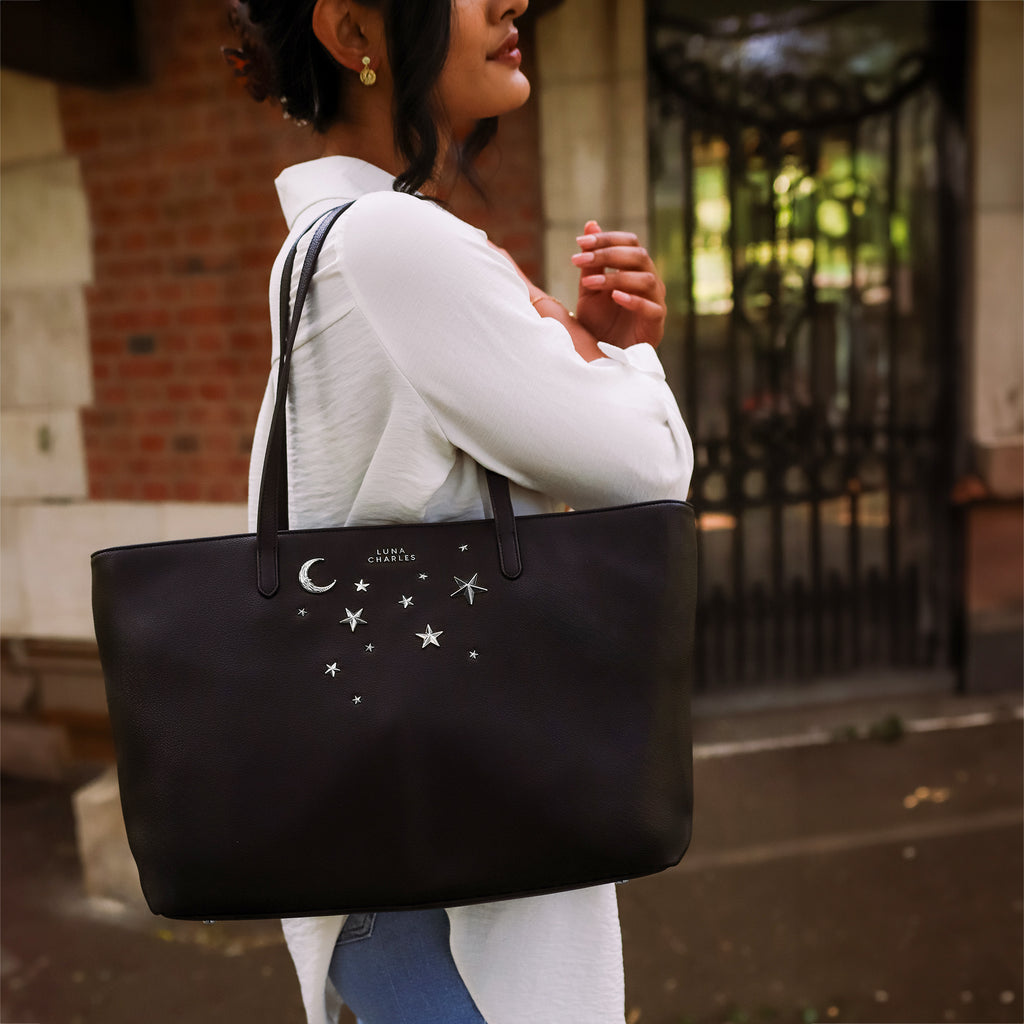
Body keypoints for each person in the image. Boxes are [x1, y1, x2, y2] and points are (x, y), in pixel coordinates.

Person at [227, 1, 694, 1021]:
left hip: (396, 878)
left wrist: (581, 348)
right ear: (354, 32)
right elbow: (649, 468)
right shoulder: (394, 239)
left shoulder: (327, 244)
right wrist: (620, 355)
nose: (512, 0)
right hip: (453, 907)